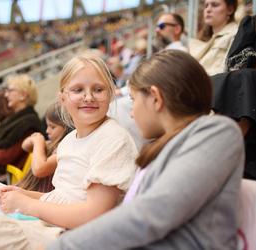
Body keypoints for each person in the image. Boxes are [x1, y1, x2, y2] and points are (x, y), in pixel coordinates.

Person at [46, 50, 244, 250]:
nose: (131, 113)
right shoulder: (166, 146)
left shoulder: (217, 132)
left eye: (133, 100)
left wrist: (61, 246)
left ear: (155, 98)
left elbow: (151, 214)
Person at [0, 51, 138, 250]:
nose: (88, 97)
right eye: (78, 89)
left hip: (73, 235)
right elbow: (61, 197)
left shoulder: (113, 139)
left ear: (111, 93)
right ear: (62, 98)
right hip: (53, 220)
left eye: (98, 89)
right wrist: (23, 194)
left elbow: (92, 214)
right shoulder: (69, 140)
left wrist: (27, 204)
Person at [17, 102, 73, 192]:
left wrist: (37, 142)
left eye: (52, 127)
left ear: (67, 128)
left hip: (44, 197)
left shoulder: (64, 149)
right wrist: (34, 140)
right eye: (47, 126)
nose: (47, 131)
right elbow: (24, 146)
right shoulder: (50, 143)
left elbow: (40, 169)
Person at [190, 0, 238, 75]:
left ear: (230, 10)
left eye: (215, 5)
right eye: (206, 6)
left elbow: (229, 72)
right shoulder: (200, 39)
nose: (208, 10)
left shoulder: (236, 34)